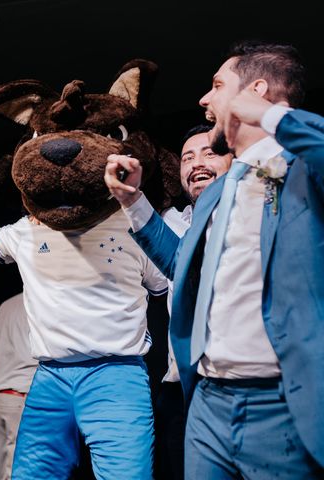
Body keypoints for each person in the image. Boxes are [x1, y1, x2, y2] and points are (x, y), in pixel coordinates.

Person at [105, 40, 324, 478]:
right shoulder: (217, 192)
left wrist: (267, 114)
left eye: (217, 85)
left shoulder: (302, 167)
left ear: (255, 91)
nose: (205, 99)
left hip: (281, 402)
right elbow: (184, 268)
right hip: (207, 401)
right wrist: (133, 204)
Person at [0, 204, 167, 478]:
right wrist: (36, 209)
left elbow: (161, 283)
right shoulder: (28, 229)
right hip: (51, 375)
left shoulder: (130, 225)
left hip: (116, 373)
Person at [154, 124, 232, 480]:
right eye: (188, 157)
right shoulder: (170, 224)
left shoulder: (256, 210)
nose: (196, 163)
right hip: (182, 391)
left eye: (209, 153)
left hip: (242, 383)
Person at [0, 292, 38, 480]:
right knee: (22, 470)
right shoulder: (42, 304)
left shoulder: (5, 305)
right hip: (21, 395)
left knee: (6, 472)